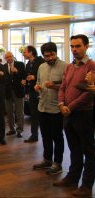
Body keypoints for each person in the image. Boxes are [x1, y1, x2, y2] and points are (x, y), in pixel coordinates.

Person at [54, 34, 95, 197]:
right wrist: (61, 104)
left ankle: (86, 186)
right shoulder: (69, 67)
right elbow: (63, 87)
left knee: (89, 152)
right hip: (67, 113)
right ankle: (72, 178)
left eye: (78, 46)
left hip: (84, 114)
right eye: (72, 46)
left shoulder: (92, 66)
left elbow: (89, 93)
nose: (74, 49)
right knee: (74, 149)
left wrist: (69, 107)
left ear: (86, 47)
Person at [33, 42, 66, 175]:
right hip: (42, 106)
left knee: (57, 136)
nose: (50, 58)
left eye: (52, 55)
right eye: (47, 56)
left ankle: (57, 163)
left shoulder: (65, 66)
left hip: (57, 108)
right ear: (43, 56)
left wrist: (55, 86)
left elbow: (67, 86)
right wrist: (37, 87)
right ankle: (47, 160)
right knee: (45, 136)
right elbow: (38, 82)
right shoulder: (41, 67)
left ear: (56, 52)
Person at [22, 45, 45, 143]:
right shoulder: (27, 64)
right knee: (34, 114)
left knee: (43, 115)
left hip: (41, 92)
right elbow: (27, 76)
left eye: (25, 52)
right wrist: (25, 82)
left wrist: (34, 77)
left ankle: (45, 136)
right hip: (32, 92)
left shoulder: (41, 61)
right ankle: (34, 135)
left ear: (31, 52)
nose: (23, 54)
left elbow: (43, 76)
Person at [3, 51, 26, 138]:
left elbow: (24, 76)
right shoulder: (4, 66)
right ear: (5, 58)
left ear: (13, 56)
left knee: (19, 112)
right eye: (7, 57)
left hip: (18, 91)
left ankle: (20, 130)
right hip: (8, 92)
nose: (9, 58)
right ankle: (12, 129)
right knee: (9, 112)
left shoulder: (20, 64)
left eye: (10, 56)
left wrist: (16, 71)